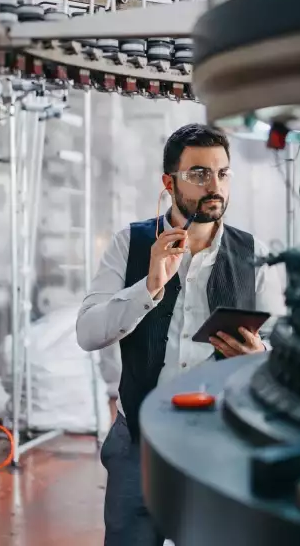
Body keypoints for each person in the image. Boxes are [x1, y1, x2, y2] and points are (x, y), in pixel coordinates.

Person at [76, 123, 285, 546]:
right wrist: (149, 285)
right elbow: (88, 332)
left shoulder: (254, 254)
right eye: (199, 174)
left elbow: (283, 352)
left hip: (221, 443)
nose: (215, 186)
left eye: (223, 173)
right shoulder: (130, 244)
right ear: (168, 182)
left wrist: (259, 354)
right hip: (138, 441)